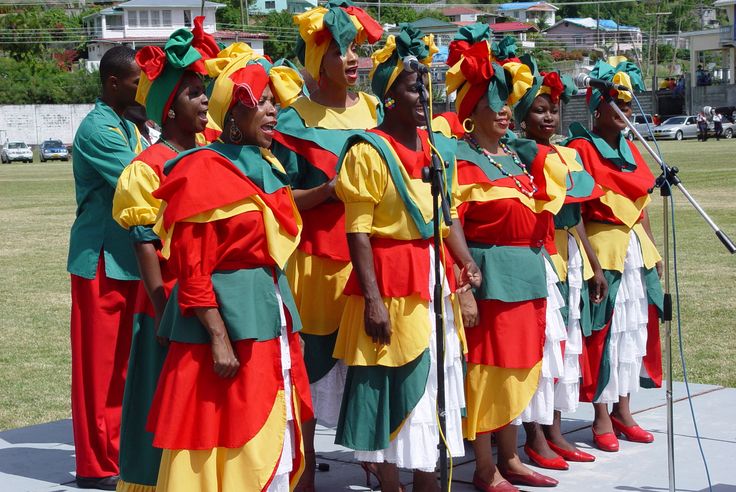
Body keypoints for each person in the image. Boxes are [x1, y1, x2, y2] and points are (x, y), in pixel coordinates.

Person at [145, 50, 312, 491]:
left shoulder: (268, 166)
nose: (274, 110)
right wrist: (218, 336)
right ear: (234, 114)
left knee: (268, 426)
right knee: (225, 434)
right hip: (222, 328)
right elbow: (193, 269)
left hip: (268, 313)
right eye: (262, 101)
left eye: (275, 101)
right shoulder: (203, 168)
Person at [334, 25, 480, 492]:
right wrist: (373, 300)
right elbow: (357, 234)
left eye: (426, 86)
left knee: (433, 382)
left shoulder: (435, 150)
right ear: (390, 95)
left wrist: (467, 262)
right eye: (413, 86)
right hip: (390, 284)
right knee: (394, 384)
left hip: (432, 280)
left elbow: (447, 217)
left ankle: (427, 481)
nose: (424, 94)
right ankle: (393, 485)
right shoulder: (366, 150)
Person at [442, 25, 567, 490]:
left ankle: (511, 457)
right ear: (472, 111)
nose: (506, 112)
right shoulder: (460, 158)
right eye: (495, 103)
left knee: (518, 366)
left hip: (526, 275)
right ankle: (484, 465)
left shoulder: (517, 158)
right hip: (488, 276)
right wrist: (463, 283)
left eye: (507, 104)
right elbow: (448, 220)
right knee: (487, 371)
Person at [271, 2, 382, 488]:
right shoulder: (293, 120)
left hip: (371, 258)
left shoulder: (374, 109)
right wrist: (328, 191)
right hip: (316, 261)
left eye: (355, 48)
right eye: (340, 51)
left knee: (369, 358)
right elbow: (278, 198)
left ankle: (376, 457)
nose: (352, 59)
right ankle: (305, 465)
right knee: (314, 362)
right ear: (318, 62)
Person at [110, 18, 219, 492]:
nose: (204, 102)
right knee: (162, 409)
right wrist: (160, 313)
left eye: (203, 92)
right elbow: (145, 246)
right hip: (169, 306)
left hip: (213, 297)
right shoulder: (146, 169)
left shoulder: (214, 155)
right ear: (169, 109)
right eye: (194, 94)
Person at [511, 59, 606, 468]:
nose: (549, 116)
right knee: (543, 345)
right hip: (541, 254)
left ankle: (555, 429)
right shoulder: (520, 154)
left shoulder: (563, 153)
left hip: (569, 256)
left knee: (564, 346)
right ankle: (532, 435)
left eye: (554, 108)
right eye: (539, 109)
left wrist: (595, 264)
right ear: (521, 115)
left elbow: (575, 215)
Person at [566, 57, 664, 454]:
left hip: (635, 249)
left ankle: (625, 410)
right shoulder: (579, 148)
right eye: (619, 104)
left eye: (630, 105)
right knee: (604, 334)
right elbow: (576, 210)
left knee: (632, 330)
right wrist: (589, 264)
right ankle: (601, 415)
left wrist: (654, 251)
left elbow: (641, 207)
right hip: (602, 250)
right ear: (598, 105)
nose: (627, 112)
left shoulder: (632, 149)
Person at [68, 45, 144, 491]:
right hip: (100, 261)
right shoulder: (98, 129)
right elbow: (142, 182)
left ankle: (118, 450)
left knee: (125, 368)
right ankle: (95, 464)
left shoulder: (129, 123)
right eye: (138, 82)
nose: (144, 89)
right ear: (113, 84)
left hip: (128, 260)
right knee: (98, 371)